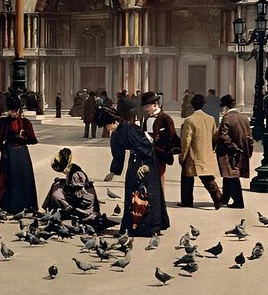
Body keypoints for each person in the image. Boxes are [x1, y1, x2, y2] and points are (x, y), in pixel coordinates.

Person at [97, 99, 169, 237]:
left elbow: (145, 146)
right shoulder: (116, 134)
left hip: (146, 162)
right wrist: (113, 171)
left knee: (147, 193)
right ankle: (133, 225)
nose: (106, 129)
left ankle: (151, 226)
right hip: (134, 162)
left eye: (107, 125)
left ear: (114, 121)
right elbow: (118, 155)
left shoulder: (130, 129)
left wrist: (143, 165)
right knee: (132, 191)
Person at [0, 94, 39, 215]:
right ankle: (8, 206)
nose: (14, 114)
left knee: (24, 179)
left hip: (22, 154)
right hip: (8, 154)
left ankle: (26, 205)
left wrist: (23, 137)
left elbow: (33, 140)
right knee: (8, 179)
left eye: (15, 111)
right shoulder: (3, 122)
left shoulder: (25, 122)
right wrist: (3, 149)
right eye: (11, 111)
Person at [179, 94, 223, 208]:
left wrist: (182, 156)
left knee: (187, 178)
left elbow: (186, 140)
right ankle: (217, 197)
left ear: (192, 105)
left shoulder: (189, 120)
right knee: (207, 177)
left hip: (192, 154)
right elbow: (215, 136)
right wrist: (210, 148)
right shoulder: (210, 119)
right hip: (206, 153)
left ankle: (187, 201)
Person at [42, 147, 101, 225]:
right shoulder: (71, 170)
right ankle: (51, 210)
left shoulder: (76, 174)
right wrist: (61, 181)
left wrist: (66, 202)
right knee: (56, 185)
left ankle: (68, 210)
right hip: (78, 196)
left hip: (85, 200)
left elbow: (79, 193)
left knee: (56, 194)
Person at [216, 95, 253, 208]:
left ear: (226, 107)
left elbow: (223, 136)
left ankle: (238, 201)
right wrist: (248, 152)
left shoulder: (227, 119)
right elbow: (250, 138)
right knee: (228, 175)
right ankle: (225, 198)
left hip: (229, 153)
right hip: (242, 152)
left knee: (231, 176)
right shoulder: (244, 118)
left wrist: (233, 147)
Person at [140, 90, 179, 190]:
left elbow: (172, 136)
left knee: (158, 176)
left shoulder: (165, 118)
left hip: (159, 154)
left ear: (155, 105)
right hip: (147, 153)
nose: (145, 109)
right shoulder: (146, 118)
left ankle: (160, 197)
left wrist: (159, 140)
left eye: (147, 106)